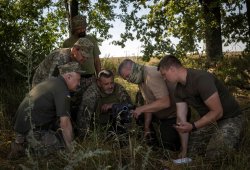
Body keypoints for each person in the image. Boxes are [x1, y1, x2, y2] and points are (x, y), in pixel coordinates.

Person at [158, 55, 245, 159]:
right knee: (191, 153)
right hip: (210, 122)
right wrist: (184, 150)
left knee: (215, 154)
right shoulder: (178, 91)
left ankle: (234, 141)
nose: (163, 78)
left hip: (230, 118)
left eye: (164, 74)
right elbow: (181, 120)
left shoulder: (201, 78)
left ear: (172, 69)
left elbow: (218, 112)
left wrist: (193, 126)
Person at [8, 62, 84, 160]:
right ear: (69, 77)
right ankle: (26, 148)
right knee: (62, 148)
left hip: (20, 127)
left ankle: (20, 142)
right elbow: (65, 123)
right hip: (32, 130)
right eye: (78, 80)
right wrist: (71, 151)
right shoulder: (62, 90)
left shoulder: (51, 81)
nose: (79, 84)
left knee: (58, 131)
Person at [118, 59, 181, 151]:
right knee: (140, 115)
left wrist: (141, 109)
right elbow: (149, 103)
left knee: (169, 146)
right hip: (161, 114)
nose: (128, 80)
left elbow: (165, 102)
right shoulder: (140, 78)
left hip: (174, 114)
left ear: (133, 68)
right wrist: (146, 127)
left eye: (127, 76)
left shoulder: (150, 74)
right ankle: (152, 144)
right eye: (125, 79)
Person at [76, 69, 132, 138]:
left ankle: (125, 135)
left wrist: (113, 105)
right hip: (98, 128)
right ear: (99, 83)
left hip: (117, 124)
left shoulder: (118, 88)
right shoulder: (91, 94)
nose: (110, 86)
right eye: (106, 84)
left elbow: (130, 106)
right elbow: (83, 119)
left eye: (111, 83)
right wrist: (86, 139)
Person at [63, 15, 101, 90]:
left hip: (91, 78)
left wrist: (99, 77)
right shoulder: (67, 43)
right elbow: (65, 63)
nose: (82, 30)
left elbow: (97, 60)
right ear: (74, 29)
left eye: (84, 28)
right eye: (79, 29)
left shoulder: (91, 39)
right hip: (74, 78)